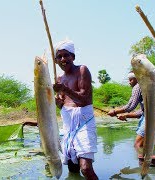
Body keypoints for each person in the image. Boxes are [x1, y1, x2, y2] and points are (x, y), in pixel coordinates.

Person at [53, 39, 98, 179]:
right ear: (55, 61)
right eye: (59, 57)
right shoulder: (59, 78)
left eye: (66, 55)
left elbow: (84, 99)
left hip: (84, 121)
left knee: (86, 168)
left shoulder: (82, 70)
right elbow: (62, 104)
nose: (63, 59)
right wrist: (58, 102)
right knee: (73, 168)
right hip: (68, 124)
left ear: (73, 56)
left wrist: (64, 89)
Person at [107, 72, 155, 149]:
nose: (129, 82)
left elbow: (130, 106)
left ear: (136, 78)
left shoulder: (138, 86)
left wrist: (115, 111)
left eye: (131, 80)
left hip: (151, 118)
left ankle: (142, 161)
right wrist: (125, 115)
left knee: (138, 145)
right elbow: (141, 113)